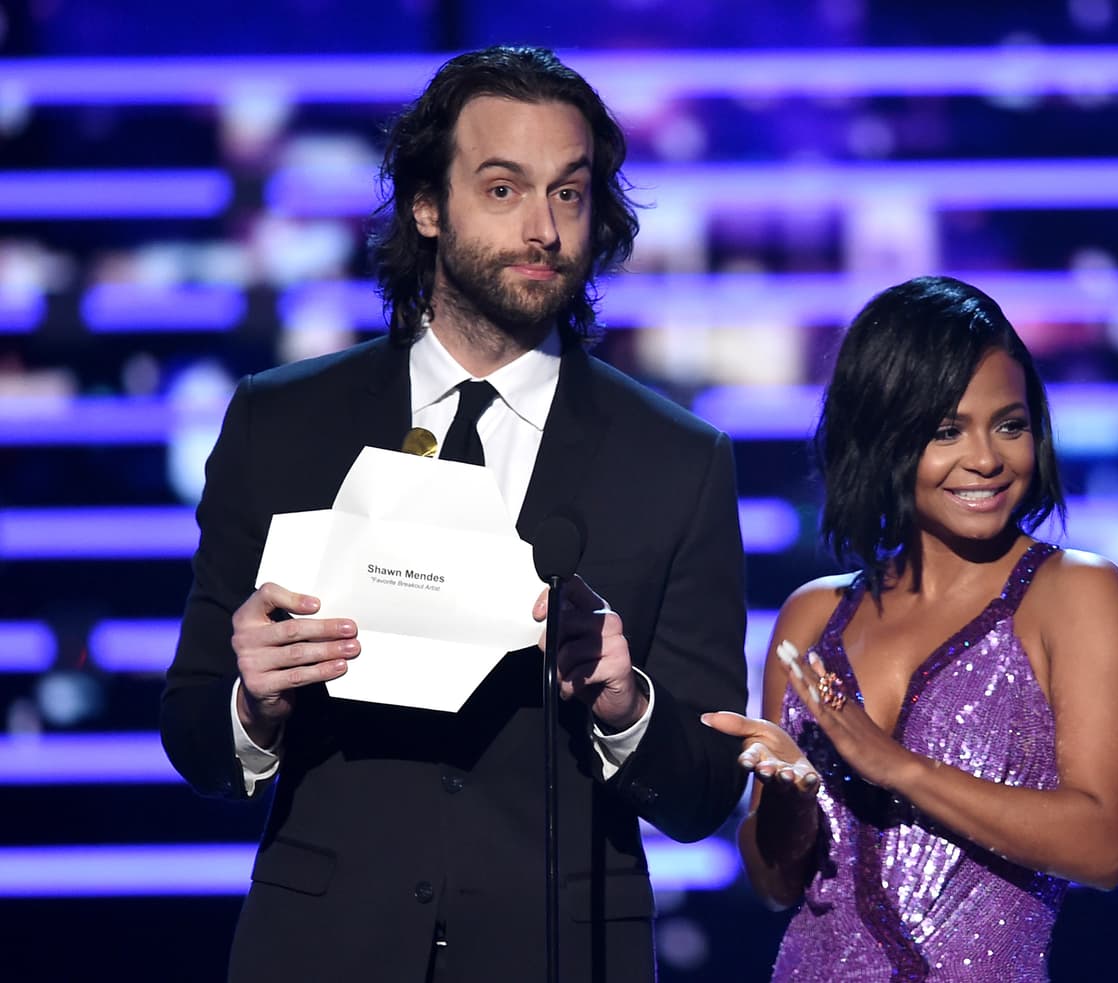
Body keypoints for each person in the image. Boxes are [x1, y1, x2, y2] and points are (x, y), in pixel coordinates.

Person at [161, 46, 747, 983]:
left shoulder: (676, 459)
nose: (545, 229)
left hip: (558, 953)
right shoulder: (283, 422)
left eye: (569, 192)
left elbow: (708, 792)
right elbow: (194, 729)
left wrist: (627, 706)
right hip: (322, 950)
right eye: (504, 189)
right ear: (428, 207)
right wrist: (254, 704)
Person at [704, 275, 1118, 981]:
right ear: (883, 436)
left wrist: (897, 767)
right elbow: (775, 883)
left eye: (1009, 424)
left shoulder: (1076, 595)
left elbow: (1102, 844)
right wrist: (790, 806)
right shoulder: (813, 616)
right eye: (947, 430)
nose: (986, 458)